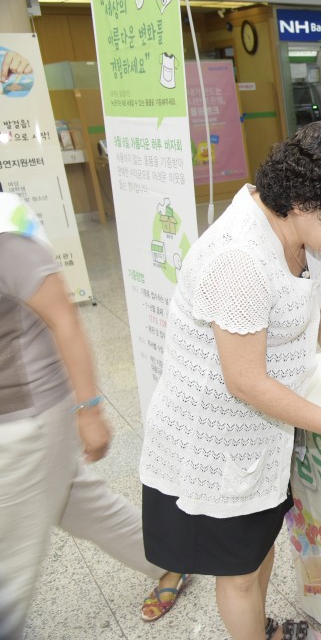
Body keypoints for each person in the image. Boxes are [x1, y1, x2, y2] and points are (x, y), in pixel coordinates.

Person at [138, 119, 321, 640]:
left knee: (258, 547)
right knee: (236, 573)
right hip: (215, 441)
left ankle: (264, 630)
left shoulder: (298, 231)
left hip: (262, 431)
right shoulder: (239, 258)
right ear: (306, 201)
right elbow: (245, 381)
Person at [0, 192, 186, 639]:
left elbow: (65, 320)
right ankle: (169, 559)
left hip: (27, 418)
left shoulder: (6, 237)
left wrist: (88, 410)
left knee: (7, 563)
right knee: (82, 506)